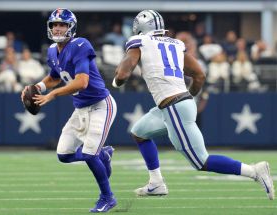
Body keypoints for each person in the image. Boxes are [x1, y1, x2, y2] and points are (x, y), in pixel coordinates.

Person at [113, 10, 275, 200]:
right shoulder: (174, 43)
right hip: (175, 104)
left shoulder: (139, 42)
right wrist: (188, 97)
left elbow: (123, 75)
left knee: (201, 161)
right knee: (139, 132)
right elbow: (199, 75)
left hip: (173, 106)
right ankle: (156, 182)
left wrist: (116, 82)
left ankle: (255, 171)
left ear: (140, 27)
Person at [21, 8, 117, 212]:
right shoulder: (51, 51)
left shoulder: (80, 45)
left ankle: (107, 197)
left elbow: (82, 82)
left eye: (62, 24)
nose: (57, 28)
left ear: (71, 27)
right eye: (54, 24)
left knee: (90, 155)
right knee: (64, 154)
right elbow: (55, 77)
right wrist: (38, 87)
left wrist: (53, 94)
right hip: (81, 109)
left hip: (100, 105)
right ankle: (104, 156)